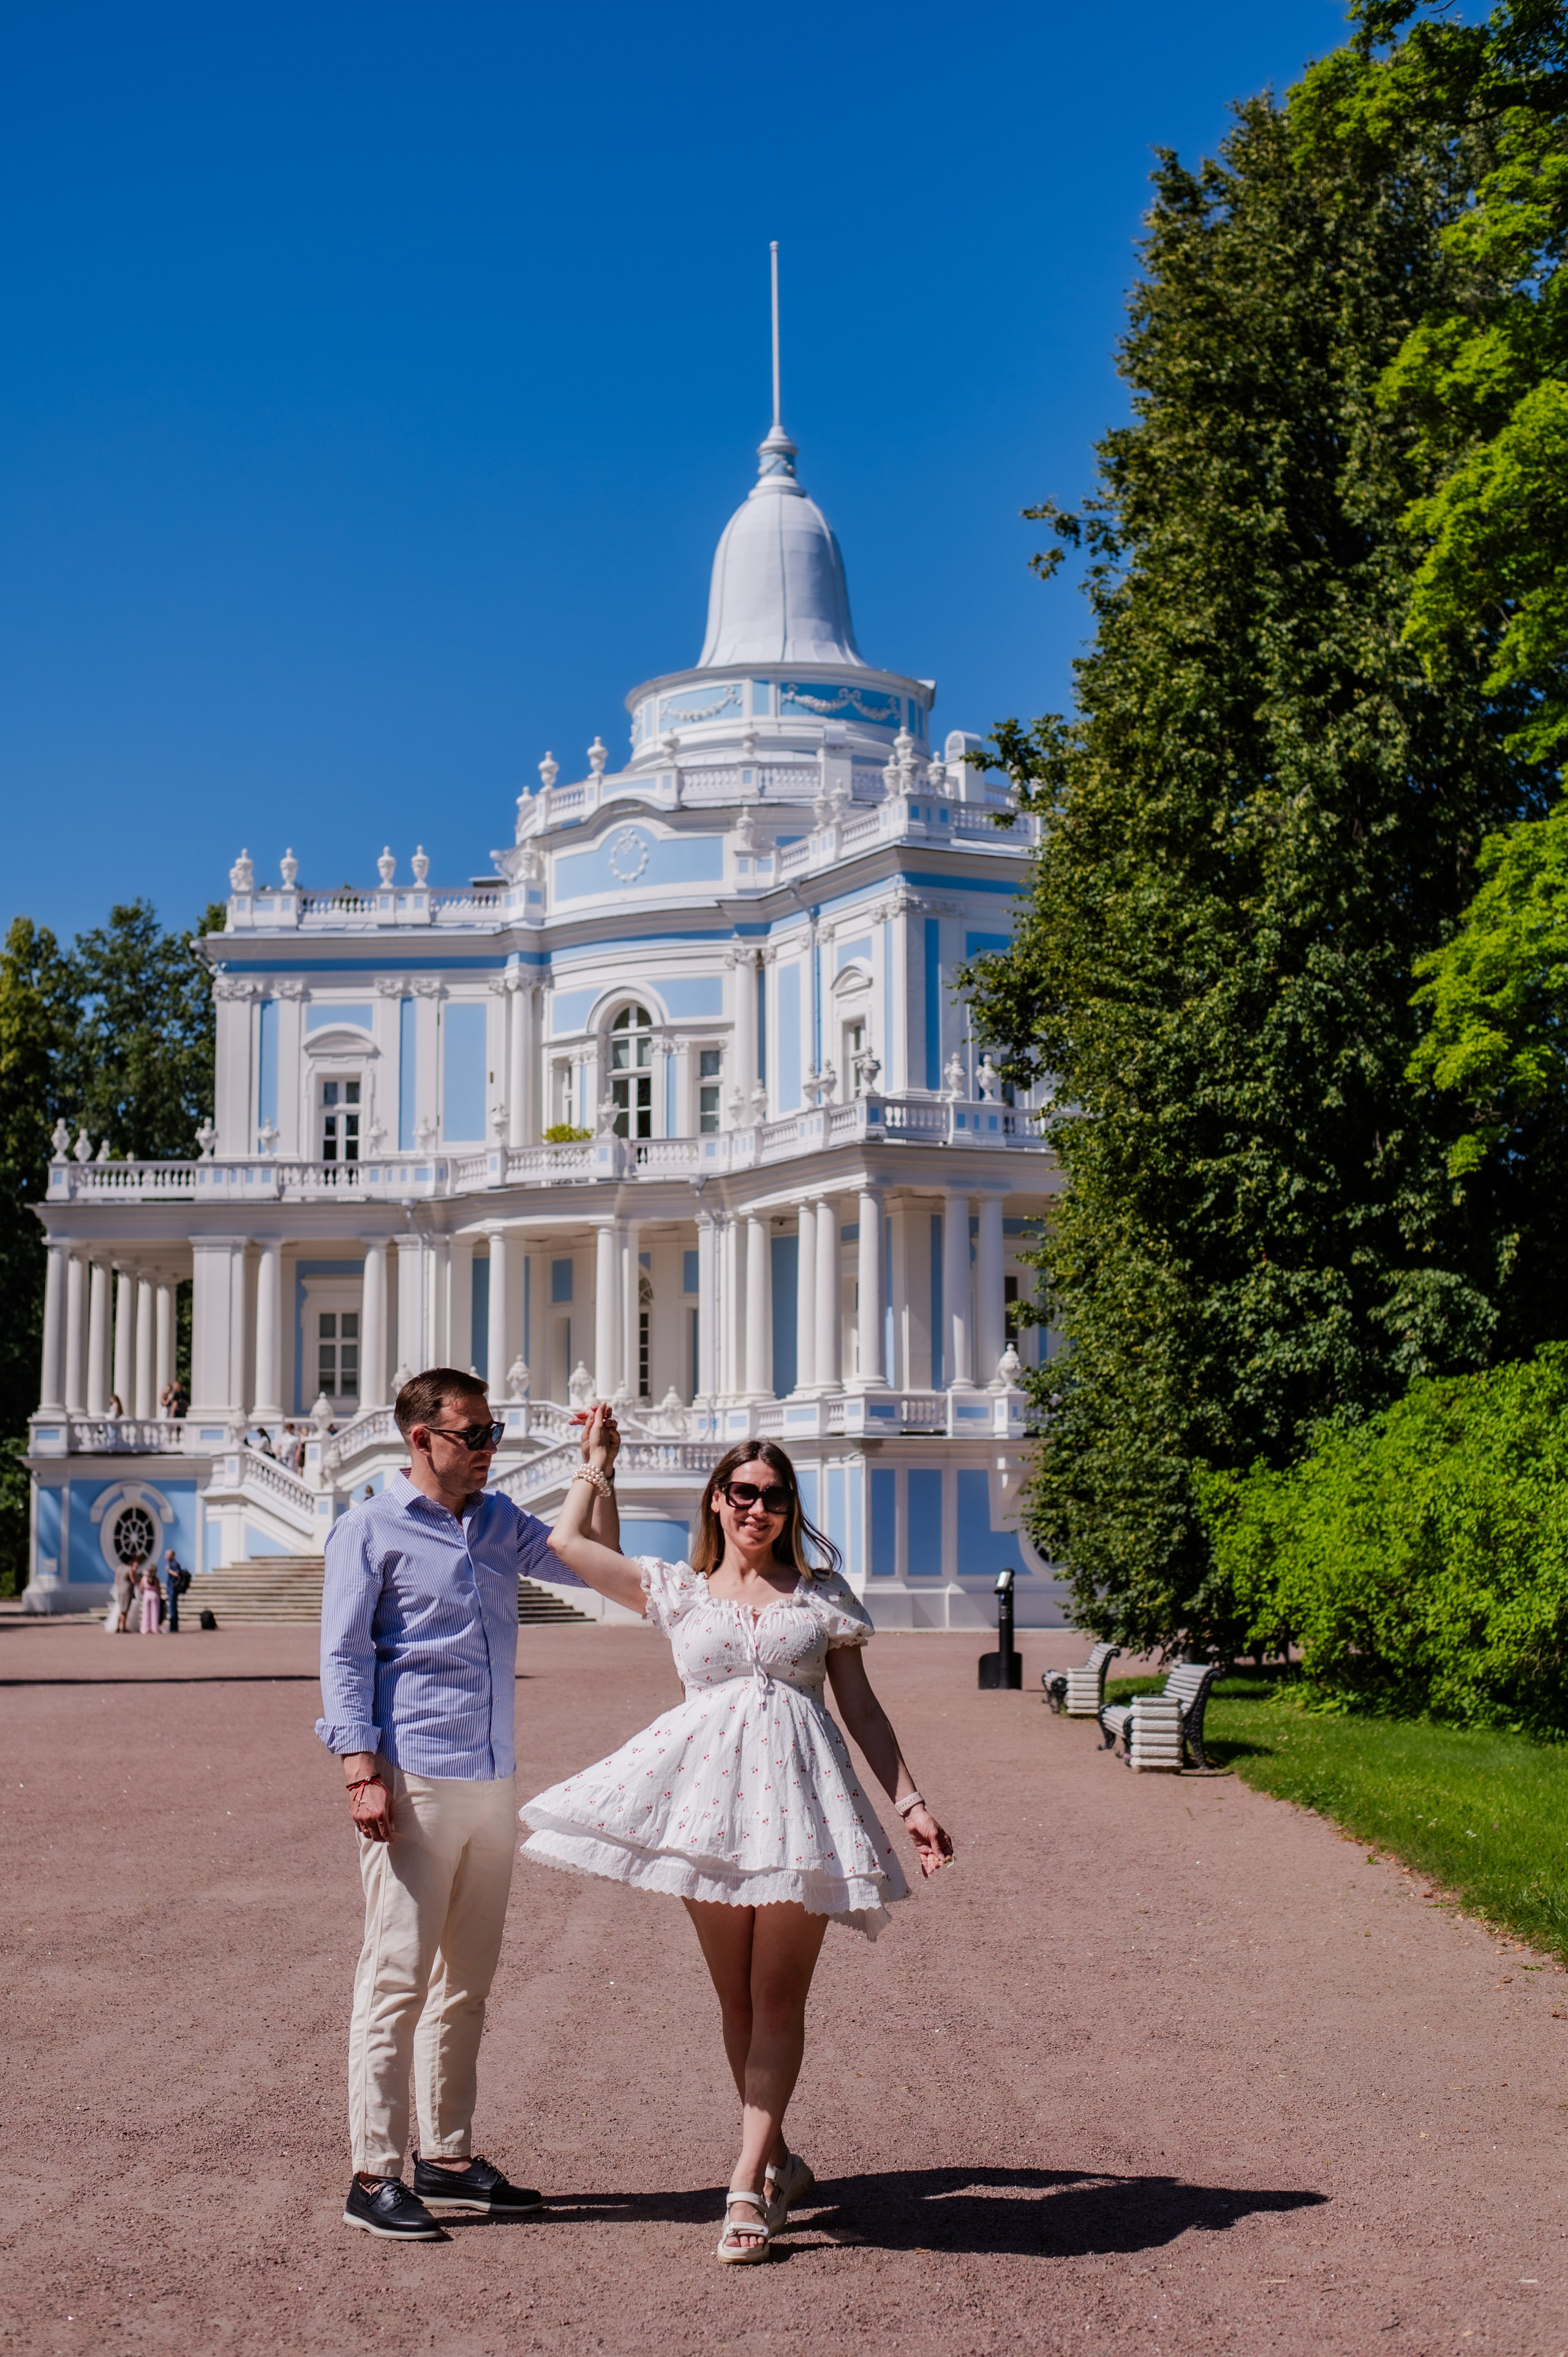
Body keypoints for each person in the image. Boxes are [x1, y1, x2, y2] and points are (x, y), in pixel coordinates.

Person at [523, 1424, 954, 2266]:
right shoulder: (678, 1589)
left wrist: (911, 1802)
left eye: (775, 1495)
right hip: (706, 1811)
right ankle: (781, 2158)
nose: (759, 1507)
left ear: (790, 1507)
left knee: (778, 1997)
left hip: (801, 1813)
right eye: (744, 1492)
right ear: (718, 1500)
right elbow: (567, 1543)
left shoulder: (822, 1595)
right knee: (737, 2003)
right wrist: (596, 1467)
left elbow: (861, 1709)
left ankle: (746, 2183)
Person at [316, 1365, 621, 2242]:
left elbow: (592, 1562)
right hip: (411, 1776)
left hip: (491, 1776)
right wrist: (359, 1770)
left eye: (493, 1433)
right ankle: (373, 2173)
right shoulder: (367, 1529)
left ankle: (446, 2159)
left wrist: (598, 1465)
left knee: (467, 1984)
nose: (490, 1448)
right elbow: (344, 1656)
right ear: (422, 1439)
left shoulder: (498, 1521)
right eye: (474, 1434)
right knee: (395, 1977)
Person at [162, 1546, 189, 1634]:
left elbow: (177, 1574)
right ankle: (173, 1627)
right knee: (172, 1609)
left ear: (172, 1556)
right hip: (170, 1589)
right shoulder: (171, 1564)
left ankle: (173, 1628)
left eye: (167, 1554)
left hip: (173, 1589)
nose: (166, 1556)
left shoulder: (174, 1564)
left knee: (172, 1609)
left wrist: (169, 1570)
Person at [137, 1559, 162, 1635]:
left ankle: (145, 1629)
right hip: (154, 1595)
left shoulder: (144, 1578)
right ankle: (154, 1628)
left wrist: (144, 1592)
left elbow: (141, 1588)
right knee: (155, 1613)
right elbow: (159, 1589)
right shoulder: (156, 1579)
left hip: (147, 1594)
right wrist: (160, 1596)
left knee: (146, 1613)